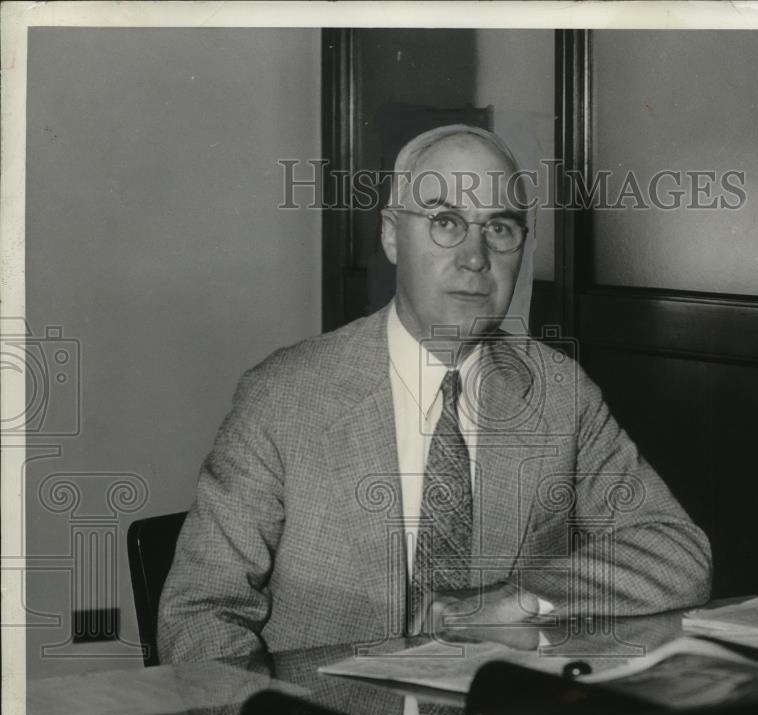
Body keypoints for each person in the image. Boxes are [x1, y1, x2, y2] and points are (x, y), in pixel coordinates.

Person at [158, 125, 711, 663]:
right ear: (392, 235)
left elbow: (677, 552)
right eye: (446, 221)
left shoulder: (559, 394)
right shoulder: (283, 397)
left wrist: (524, 598)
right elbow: (201, 613)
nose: (475, 258)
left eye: (499, 228)